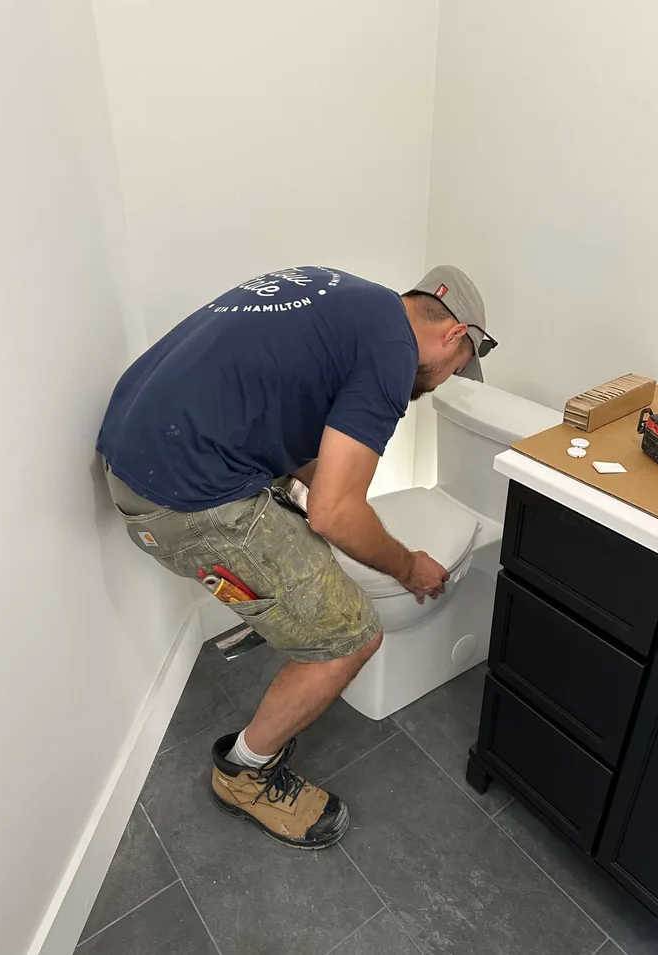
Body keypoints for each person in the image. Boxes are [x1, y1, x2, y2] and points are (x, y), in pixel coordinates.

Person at [97, 264, 497, 849]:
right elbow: (333, 513)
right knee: (354, 634)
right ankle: (244, 773)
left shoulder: (344, 295)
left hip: (139, 447)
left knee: (313, 512)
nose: (438, 385)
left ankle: (278, 613)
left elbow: (300, 446)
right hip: (181, 498)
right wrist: (408, 565)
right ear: (453, 335)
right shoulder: (392, 355)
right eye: (457, 370)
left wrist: (337, 510)